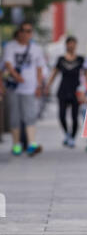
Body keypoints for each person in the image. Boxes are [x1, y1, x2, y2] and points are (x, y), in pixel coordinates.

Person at [3, 21, 44, 156]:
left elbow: (39, 68)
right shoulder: (11, 47)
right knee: (14, 117)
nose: (26, 34)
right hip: (13, 87)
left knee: (30, 115)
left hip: (30, 87)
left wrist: (38, 85)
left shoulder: (36, 49)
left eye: (29, 31)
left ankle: (32, 144)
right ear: (19, 32)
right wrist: (16, 76)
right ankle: (16, 145)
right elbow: (8, 63)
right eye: (24, 30)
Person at [46, 36, 84, 148]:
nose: (71, 46)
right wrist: (48, 86)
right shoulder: (61, 59)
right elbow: (54, 73)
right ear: (66, 45)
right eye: (69, 43)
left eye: (73, 43)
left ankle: (72, 137)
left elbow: (86, 74)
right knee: (61, 115)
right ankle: (67, 133)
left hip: (76, 91)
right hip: (63, 90)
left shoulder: (80, 59)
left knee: (74, 117)